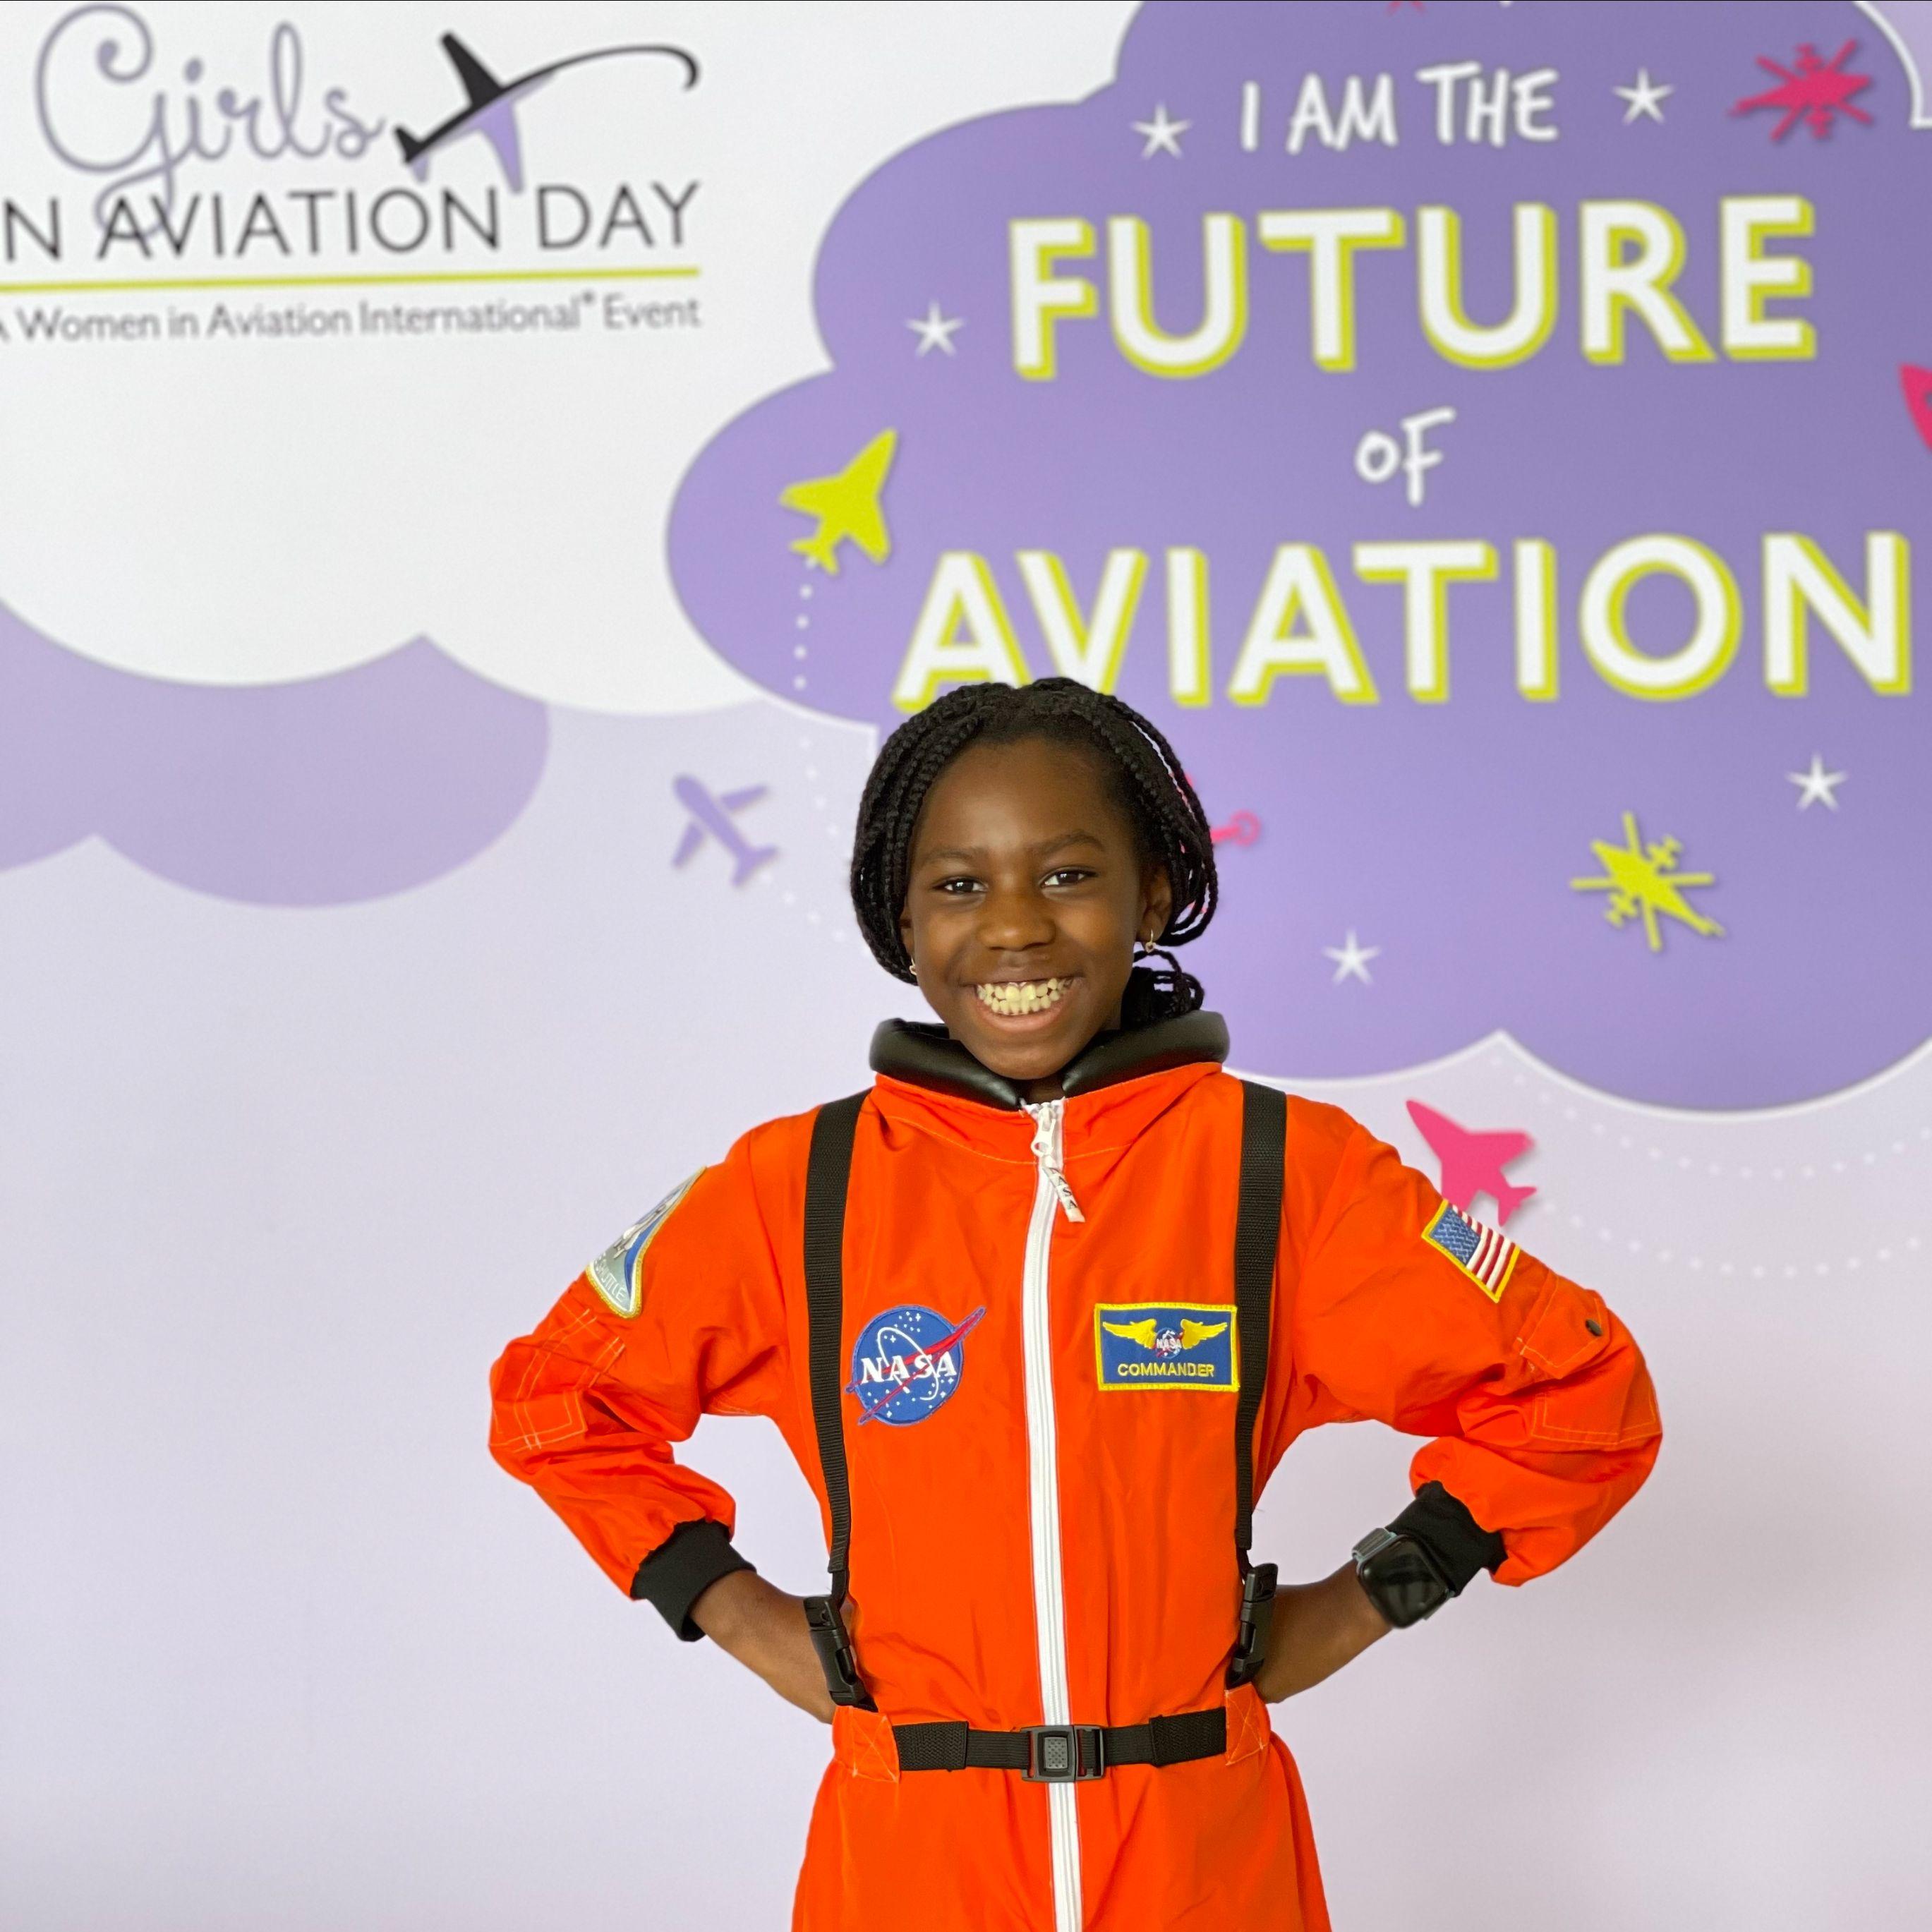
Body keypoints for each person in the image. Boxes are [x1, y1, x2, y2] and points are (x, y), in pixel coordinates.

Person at [489, 677, 1661, 1931]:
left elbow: (1577, 1387)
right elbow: (560, 1398)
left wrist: (1377, 1591)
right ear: (898, 913)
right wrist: (735, 1609)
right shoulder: (798, 1190)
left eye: (1064, 875)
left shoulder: (1284, 1174)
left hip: (1202, 1861)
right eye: (956, 884)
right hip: (909, 1863)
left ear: (1151, 892)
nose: (1012, 931)